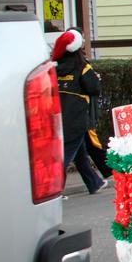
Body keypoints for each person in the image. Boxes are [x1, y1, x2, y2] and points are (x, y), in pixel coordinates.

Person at [52, 29, 107, 195]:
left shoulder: (55, 69)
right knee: (66, 155)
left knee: (80, 152)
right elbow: (94, 88)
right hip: (77, 118)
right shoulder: (82, 67)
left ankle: (94, 183)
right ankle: (53, 190)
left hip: (59, 117)